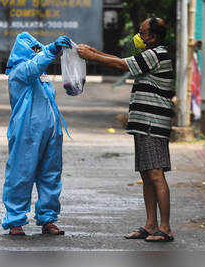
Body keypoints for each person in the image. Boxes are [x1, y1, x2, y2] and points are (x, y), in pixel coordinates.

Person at [78, 17, 175, 242]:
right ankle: (150, 225)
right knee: (146, 174)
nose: (138, 37)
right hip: (144, 124)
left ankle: (165, 227)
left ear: (153, 36)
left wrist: (92, 56)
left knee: (156, 175)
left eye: (142, 33)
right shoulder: (150, 55)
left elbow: (121, 65)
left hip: (153, 124)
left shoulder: (156, 53)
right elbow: (124, 61)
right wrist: (95, 52)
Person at [2, 32, 72, 235]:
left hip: (50, 133)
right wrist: (51, 49)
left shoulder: (41, 76)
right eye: (35, 51)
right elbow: (33, 67)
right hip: (27, 133)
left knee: (51, 175)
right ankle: (15, 220)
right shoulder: (19, 72)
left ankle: (48, 219)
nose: (38, 53)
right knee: (20, 174)